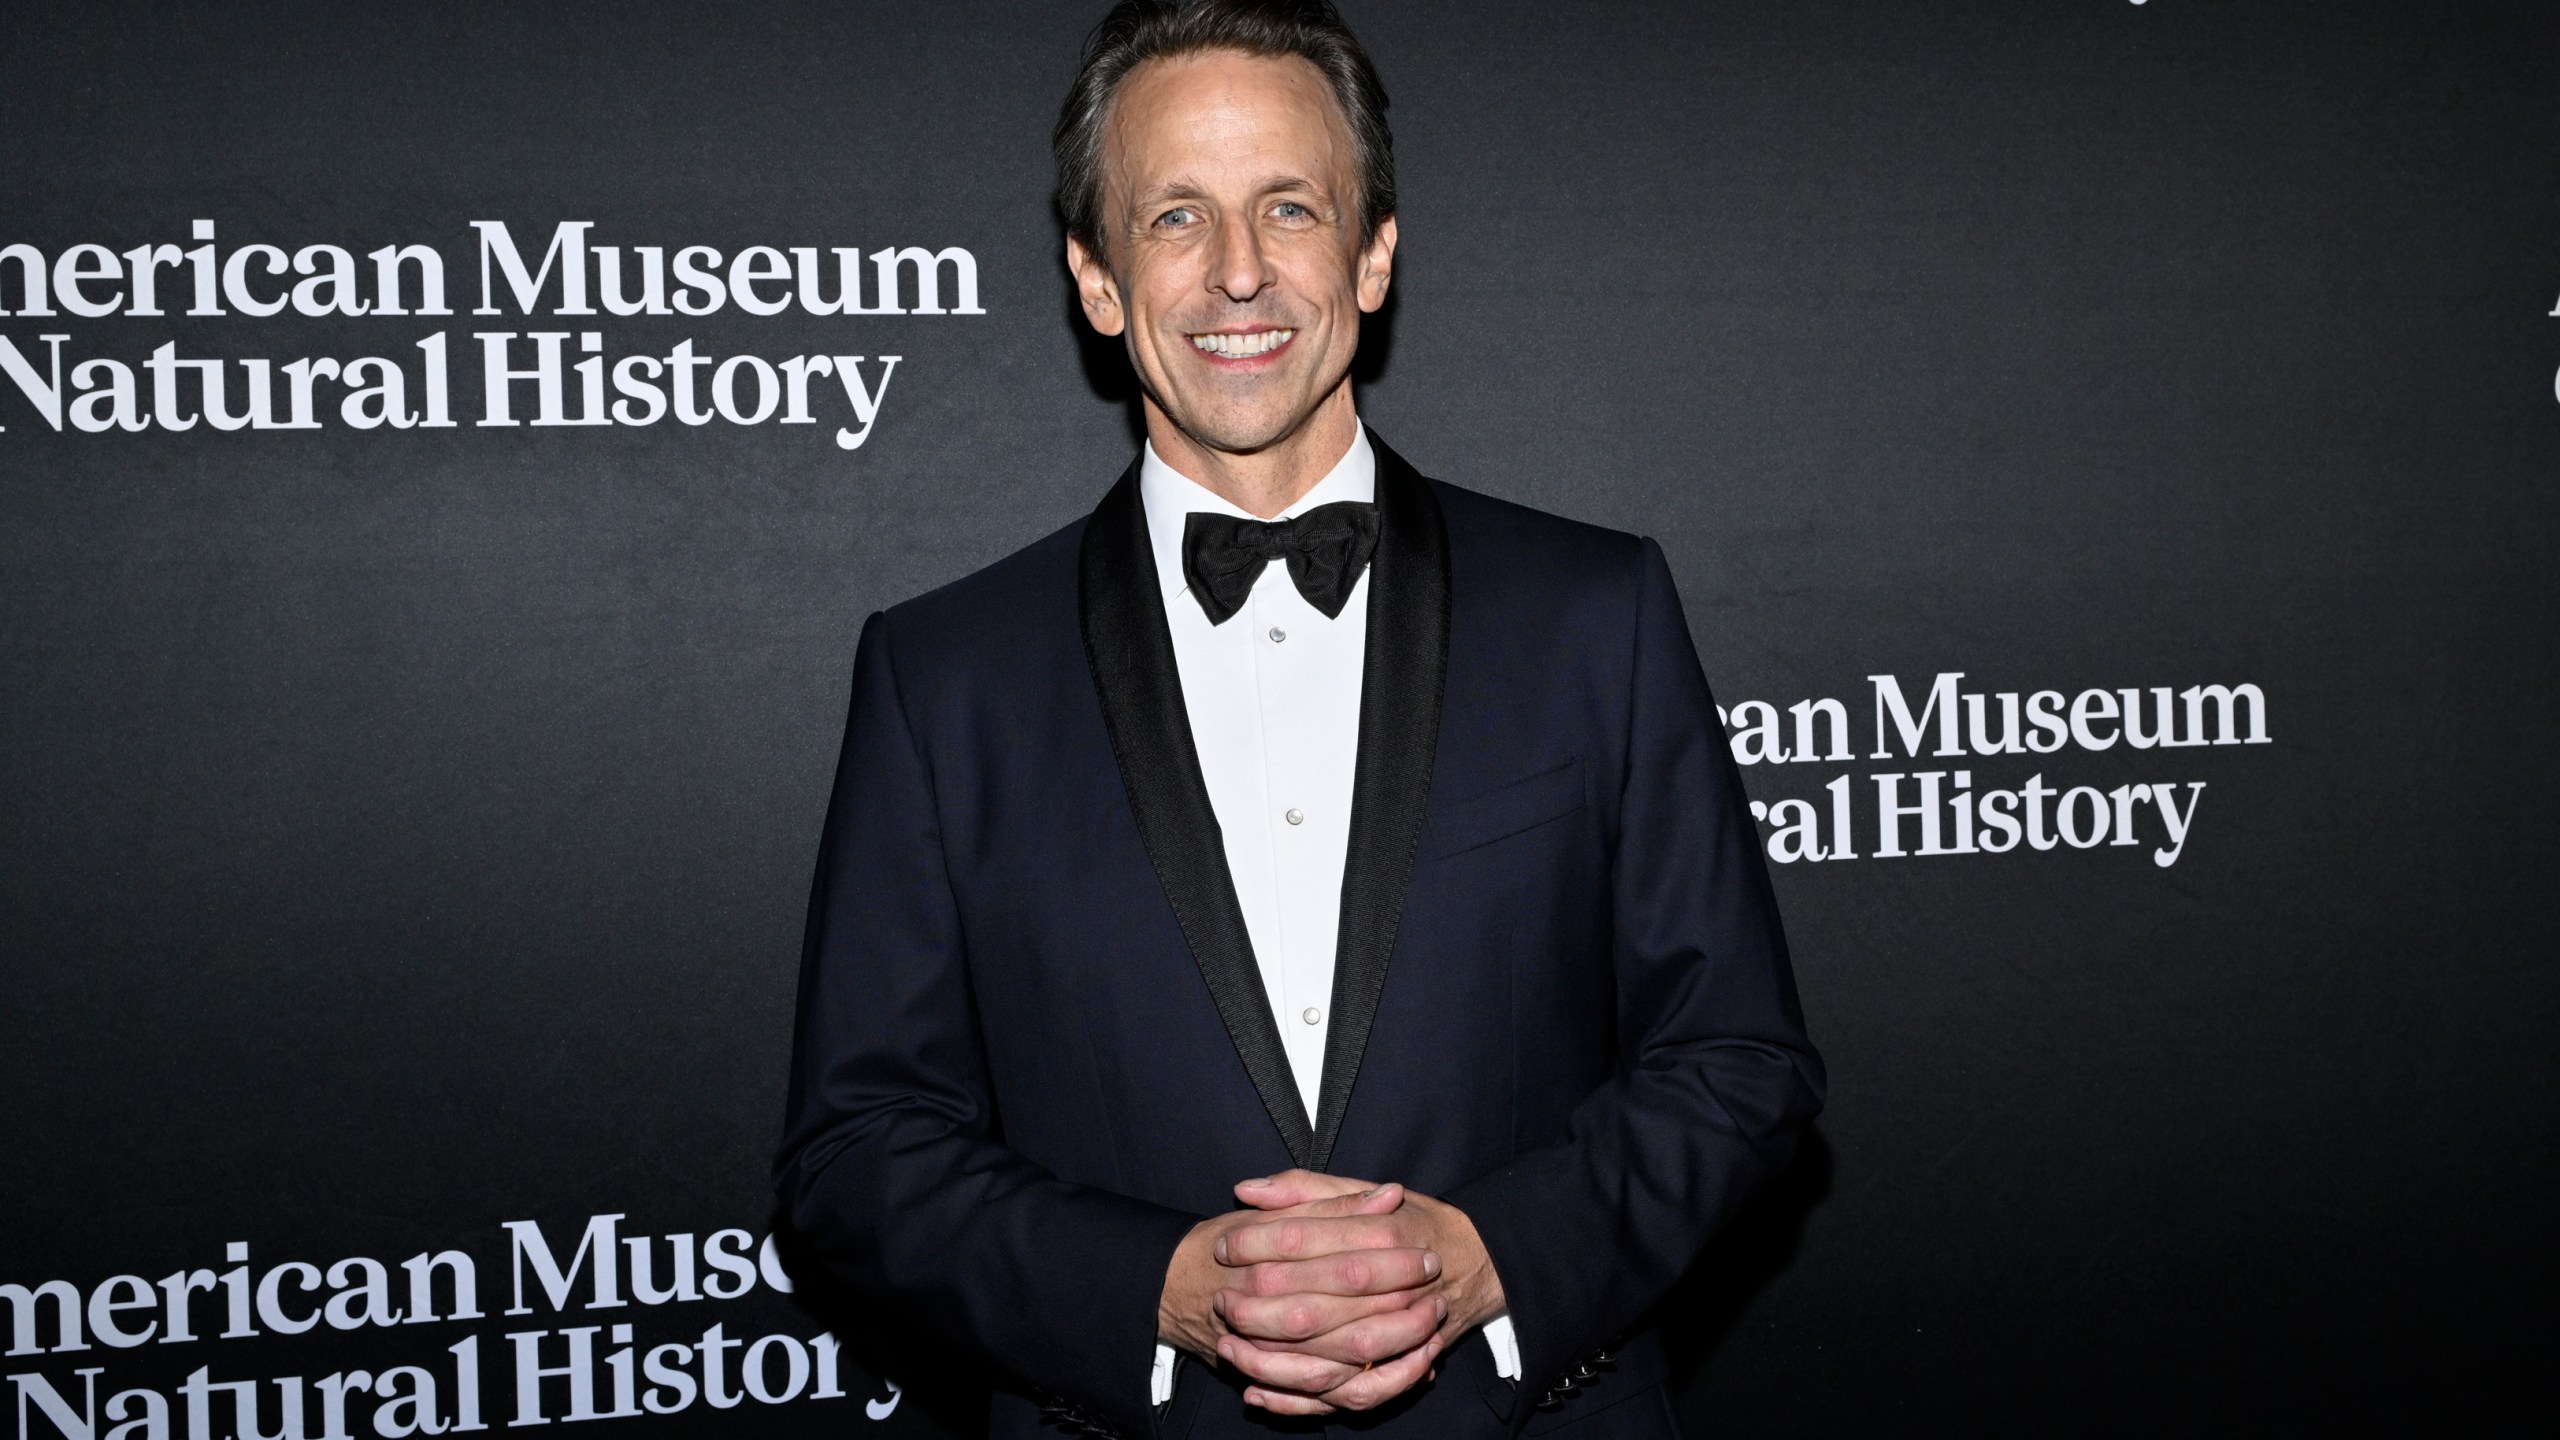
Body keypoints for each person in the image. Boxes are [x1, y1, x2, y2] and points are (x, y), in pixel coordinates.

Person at [773, 2, 1824, 1435]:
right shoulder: (941, 677)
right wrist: (1155, 1285)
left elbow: (1742, 1065)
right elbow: (856, 1154)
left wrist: (1489, 1257)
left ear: (1373, 253)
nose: (1240, 272)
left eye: (1288, 206)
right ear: (1094, 278)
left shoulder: (1597, 611)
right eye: (1174, 220)